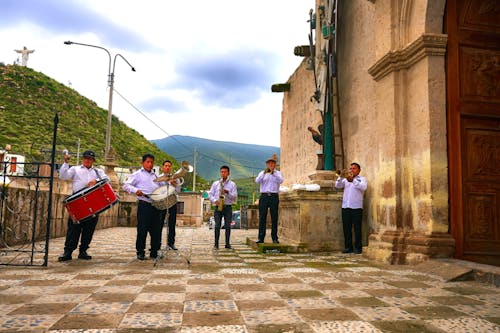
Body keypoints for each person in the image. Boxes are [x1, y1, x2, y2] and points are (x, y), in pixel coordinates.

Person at [58, 150, 109, 261]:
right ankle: (68, 252)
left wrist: (96, 180)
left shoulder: (97, 171)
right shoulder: (75, 169)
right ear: (82, 159)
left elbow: (107, 179)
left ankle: (83, 251)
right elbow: (63, 176)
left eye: (90, 159)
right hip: (78, 202)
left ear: (93, 160)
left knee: (89, 229)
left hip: (93, 203)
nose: (87, 160)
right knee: (73, 228)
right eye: (86, 158)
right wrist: (66, 163)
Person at [123, 153, 163, 260]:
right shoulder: (137, 174)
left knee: (156, 230)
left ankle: (154, 252)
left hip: (155, 205)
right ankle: (140, 252)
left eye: (152, 162)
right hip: (144, 205)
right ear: (143, 163)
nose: (150, 164)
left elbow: (160, 187)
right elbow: (126, 185)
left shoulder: (155, 175)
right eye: (148, 162)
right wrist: (136, 190)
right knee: (142, 230)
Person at [334, 162, 367, 254]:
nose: (352, 170)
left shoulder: (362, 179)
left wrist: (353, 181)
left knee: (357, 228)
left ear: (359, 170)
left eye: (354, 168)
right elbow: (337, 186)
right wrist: (340, 176)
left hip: (356, 207)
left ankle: (358, 248)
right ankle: (348, 247)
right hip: (345, 207)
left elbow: (363, 187)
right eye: (351, 168)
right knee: (346, 228)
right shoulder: (345, 180)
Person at [255, 154, 284, 244]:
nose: (271, 165)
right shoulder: (262, 173)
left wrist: (273, 173)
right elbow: (257, 181)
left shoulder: (278, 173)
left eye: (272, 163)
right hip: (264, 196)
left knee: (274, 217)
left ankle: (274, 238)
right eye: (269, 163)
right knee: (262, 217)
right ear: (267, 164)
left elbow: (281, 181)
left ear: (275, 165)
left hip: (274, 196)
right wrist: (264, 173)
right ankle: (261, 238)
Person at [208, 165, 237, 249]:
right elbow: (210, 194)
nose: (223, 173)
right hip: (218, 206)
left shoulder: (232, 184)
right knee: (217, 226)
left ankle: (227, 244)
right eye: (222, 172)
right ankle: (216, 244)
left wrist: (227, 193)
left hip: (228, 207)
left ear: (228, 173)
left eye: (225, 172)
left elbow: (234, 197)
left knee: (228, 226)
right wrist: (214, 201)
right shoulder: (216, 183)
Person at [158, 160, 181, 251]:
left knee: (172, 223)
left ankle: (171, 243)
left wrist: (174, 184)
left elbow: (178, 191)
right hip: (162, 202)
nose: (167, 167)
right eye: (166, 166)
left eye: (169, 166)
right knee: (159, 223)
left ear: (171, 168)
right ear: (163, 167)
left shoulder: (176, 178)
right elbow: (157, 190)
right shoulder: (159, 178)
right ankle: (157, 243)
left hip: (172, 202)